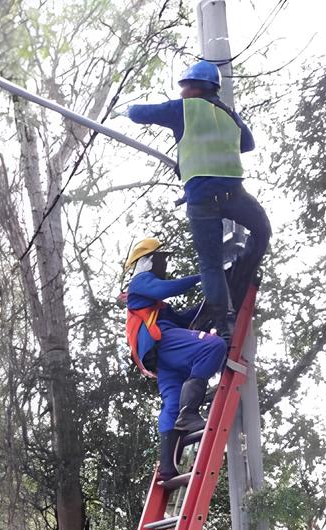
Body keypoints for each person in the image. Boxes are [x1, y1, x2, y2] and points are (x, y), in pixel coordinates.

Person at [125, 59, 270, 341]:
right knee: (263, 230)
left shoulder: (182, 109)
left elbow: (139, 113)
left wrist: (124, 110)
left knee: (211, 264)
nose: (181, 93)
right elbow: (248, 144)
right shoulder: (230, 116)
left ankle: (223, 322)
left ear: (195, 87)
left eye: (184, 87)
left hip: (202, 200)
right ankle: (243, 265)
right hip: (233, 194)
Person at [122, 237, 228, 482]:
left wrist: (208, 305)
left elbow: (182, 320)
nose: (164, 263)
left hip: (160, 357)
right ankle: (189, 412)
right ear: (148, 260)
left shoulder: (154, 304)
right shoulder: (140, 283)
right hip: (163, 344)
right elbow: (165, 289)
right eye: (161, 258)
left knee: (171, 403)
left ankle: (167, 466)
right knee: (214, 346)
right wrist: (203, 276)